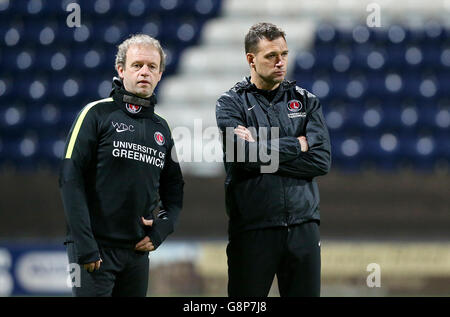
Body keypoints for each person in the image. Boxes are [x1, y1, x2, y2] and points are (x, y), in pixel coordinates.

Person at [59, 34, 184, 297]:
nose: (144, 72)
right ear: (121, 70)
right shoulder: (95, 114)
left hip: (136, 254)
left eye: (152, 67)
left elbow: (174, 189)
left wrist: (162, 229)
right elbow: (70, 179)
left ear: (160, 74)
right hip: (95, 251)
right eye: (137, 65)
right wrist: (85, 244)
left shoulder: (162, 128)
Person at [215, 22, 331, 297]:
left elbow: (320, 161)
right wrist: (297, 144)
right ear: (251, 60)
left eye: (284, 54)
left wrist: (260, 146)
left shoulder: (307, 101)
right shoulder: (230, 103)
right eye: (271, 56)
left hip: (303, 227)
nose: (281, 62)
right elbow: (242, 156)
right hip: (253, 229)